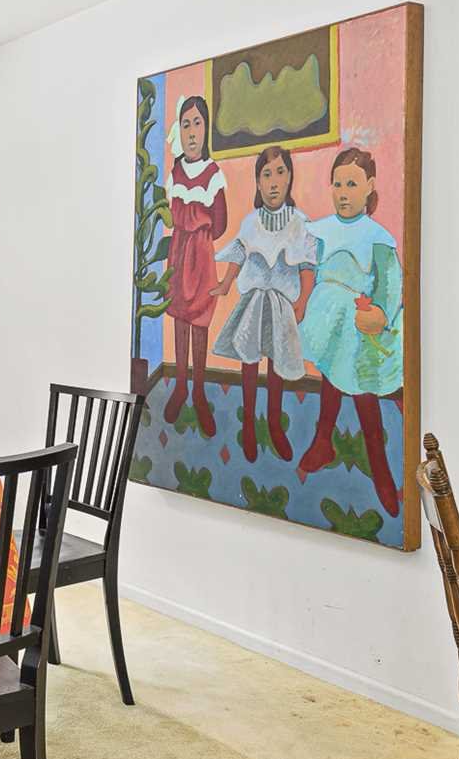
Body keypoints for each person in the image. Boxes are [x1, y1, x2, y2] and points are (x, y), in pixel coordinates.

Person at [296, 146, 405, 515]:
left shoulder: (377, 237)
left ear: (370, 186)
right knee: (331, 372)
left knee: (361, 391)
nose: (343, 193)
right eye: (338, 184)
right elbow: (309, 269)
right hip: (329, 320)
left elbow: (390, 284)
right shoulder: (321, 230)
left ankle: (380, 469)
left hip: (361, 326)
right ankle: (322, 441)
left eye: (352, 184)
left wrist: (381, 313)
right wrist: (302, 301)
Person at [209, 145, 317, 462]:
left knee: (276, 362)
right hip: (254, 301)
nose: (273, 181)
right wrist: (226, 283)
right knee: (249, 358)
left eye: (280, 172)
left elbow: (307, 265)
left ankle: (273, 423)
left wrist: (303, 301)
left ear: (289, 177)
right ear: (258, 182)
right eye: (266, 174)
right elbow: (240, 253)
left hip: (282, 304)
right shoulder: (251, 222)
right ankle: (249, 425)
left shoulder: (299, 223)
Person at [163, 94, 226, 436]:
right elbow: (169, 212)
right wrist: (185, 226)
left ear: (206, 129)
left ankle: (199, 392)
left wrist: (198, 231)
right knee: (180, 319)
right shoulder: (175, 172)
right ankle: (180, 387)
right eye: (185, 124)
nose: (191, 131)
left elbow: (221, 222)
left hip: (201, 256)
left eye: (197, 123)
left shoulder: (213, 173)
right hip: (178, 252)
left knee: (200, 320)